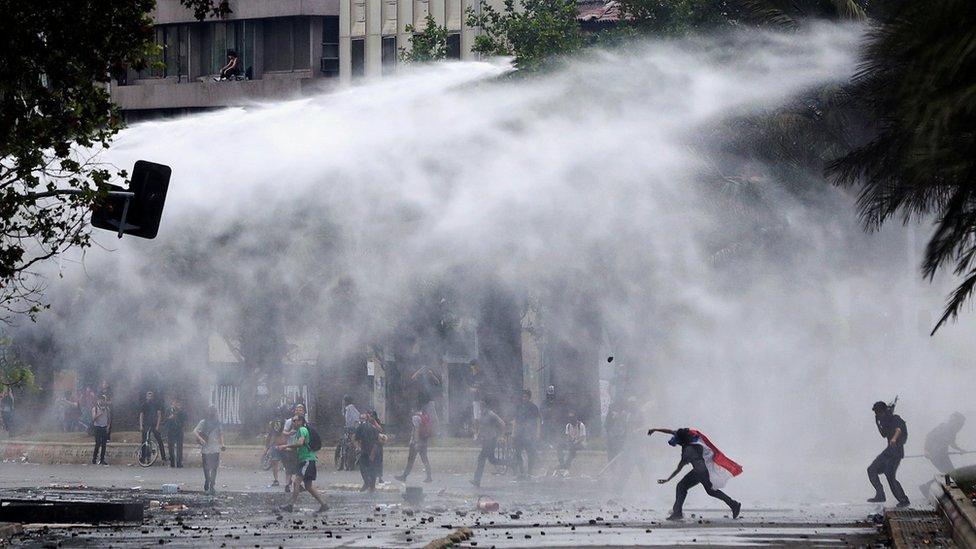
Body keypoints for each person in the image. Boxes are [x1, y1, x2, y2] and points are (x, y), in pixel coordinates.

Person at [649, 427, 742, 521]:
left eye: (677, 440)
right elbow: (671, 432)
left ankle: (677, 513)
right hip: (699, 471)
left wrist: (668, 479)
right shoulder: (691, 439)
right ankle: (734, 504)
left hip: (702, 472)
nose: (675, 440)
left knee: (686, 487)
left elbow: (679, 467)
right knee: (686, 487)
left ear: (681, 440)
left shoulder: (689, 450)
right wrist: (655, 430)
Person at [277, 414, 328, 513]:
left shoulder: (302, 430)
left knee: (296, 483)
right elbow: (300, 446)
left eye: (295, 421)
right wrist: (284, 447)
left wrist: (286, 445)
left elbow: (300, 443)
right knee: (308, 486)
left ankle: (290, 505)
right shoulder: (301, 431)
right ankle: (324, 504)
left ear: (300, 421)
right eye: (293, 421)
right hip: (307, 460)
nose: (293, 422)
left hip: (307, 460)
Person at [867, 401, 910, 507]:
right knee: (872, 469)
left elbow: (898, 430)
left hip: (896, 451)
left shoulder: (895, 418)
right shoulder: (884, 422)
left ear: (884, 411)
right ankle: (880, 495)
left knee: (890, 475)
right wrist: (878, 423)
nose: (877, 415)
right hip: (889, 451)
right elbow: (883, 434)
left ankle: (903, 499)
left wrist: (894, 439)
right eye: (876, 413)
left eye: (878, 413)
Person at [920, 413, 967, 498]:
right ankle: (927, 487)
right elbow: (929, 436)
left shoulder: (953, 430)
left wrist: (960, 450)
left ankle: (928, 487)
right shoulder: (943, 427)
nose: (961, 426)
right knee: (950, 473)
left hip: (943, 455)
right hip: (935, 455)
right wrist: (926, 450)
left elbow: (952, 443)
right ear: (955, 421)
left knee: (950, 473)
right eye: (960, 424)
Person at [471, 398, 507, 487]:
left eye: (482, 404)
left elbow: (502, 424)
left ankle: (476, 480)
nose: (480, 406)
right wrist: (477, 435)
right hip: (486, 439)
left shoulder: (491, 414)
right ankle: (511, 463)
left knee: (481, 458)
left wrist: (501, 436)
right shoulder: (482, 414)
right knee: (492, 460)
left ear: (485, 405)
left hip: (491, 439)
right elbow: (481, 426)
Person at [193, 406, 225, 494]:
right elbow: (195, 431)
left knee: (214, 468)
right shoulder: (203, 422)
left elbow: (221, 434)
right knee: (207, 468)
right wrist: (201, 439)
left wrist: (222, 444)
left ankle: (212, 485)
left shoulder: (218, 423)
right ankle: (207, 481)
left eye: (214, 412)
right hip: (206, 449)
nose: (213, 413)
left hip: (215, 448)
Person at [396, 407, 433, 483]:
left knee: (410, 460)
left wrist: (416, 442)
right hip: (424, 442)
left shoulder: (416, 417)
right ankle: (429, 477)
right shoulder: (424, 416)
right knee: (425, 459)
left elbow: (416, 429)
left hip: (416, 443)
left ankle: (404, 476)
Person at [513, 390, 540, 479]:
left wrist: (537, 434)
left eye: (526, 397)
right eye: (523, 396)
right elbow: (515, 421)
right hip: (519, 433)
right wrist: (514, 433)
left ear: (529, 397)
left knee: (530, 453)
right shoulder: (519, 407)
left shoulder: (533, 407)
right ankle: (521, 472)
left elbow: (537, 421)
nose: (524, 398)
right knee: (518, 453)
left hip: (529, 434)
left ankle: (529, 472)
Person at [281, 403, 306, 492]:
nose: (298, 411)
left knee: (299, 468)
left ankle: (298, 484)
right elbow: (284, 432)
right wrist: (289, 433)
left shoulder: (304, 423)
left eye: (300, 410)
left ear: (303, 412)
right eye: (296, 410)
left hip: (301, 450)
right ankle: (287, 484)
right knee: (289, 468)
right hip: (290, 448)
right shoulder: (289, 421)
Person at [355, 411, 381, 491]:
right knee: (371, 467)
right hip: (368, 450)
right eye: (361, 418)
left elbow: (376, 441)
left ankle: (368, 484)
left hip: (371, 450)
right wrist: (358, 447)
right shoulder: (370, 427)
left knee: (365, 467)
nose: (361, 420)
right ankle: (370, 485)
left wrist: (372, 453)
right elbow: (356, 438)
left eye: (363, 418)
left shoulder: (364, 427)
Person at [139, 390, 167, 464]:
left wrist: (158, 425)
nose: (150, 397)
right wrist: (141, 425)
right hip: (146, 424)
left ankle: (164, 458)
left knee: (159, 440)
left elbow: (159, 415)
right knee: (144, 441)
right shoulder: (144, 405)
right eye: (148, 395)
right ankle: (143, 458)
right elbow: (141, 415)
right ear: (146, 396)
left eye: (151, 395)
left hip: (154, 424)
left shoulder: (156, 404)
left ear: (153, 396)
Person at [163, 398, 187, 468]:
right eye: (175, 403)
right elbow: (165, 421)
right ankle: (172, 463)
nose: (176, 405)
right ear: (172, 404)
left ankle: (179, 463)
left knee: (179, 447)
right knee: (171, 447)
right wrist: (169, 418)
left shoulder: (181, 411)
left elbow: (185, 418)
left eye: (178, 403)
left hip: (179, 430)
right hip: (171, 430)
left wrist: (179, 411)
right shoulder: (168, 411)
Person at [264, 415, 286, 488]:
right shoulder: (272, 428)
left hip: (284, 447)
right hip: (275, 447)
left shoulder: (285, 426)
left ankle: (289, 480)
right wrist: (267, 448)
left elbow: (288, 435)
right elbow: (269, 437)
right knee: (275, 463)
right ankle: (276, 480)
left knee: (286, 464)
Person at [90, 394, 111, 465]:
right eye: (101, 399)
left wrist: (108, 426)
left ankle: (102, 459)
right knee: (98, 443)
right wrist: (100, 414)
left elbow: (109, 418)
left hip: (104, 427)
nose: (102, 401)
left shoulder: (107, 409)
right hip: (97, 427)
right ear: (98, 400)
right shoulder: (95, 408)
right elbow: (93, 419)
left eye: (103, 400)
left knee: (104, 444)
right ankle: (94, 458)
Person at [367, 410, 386, 484]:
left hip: (377, 444)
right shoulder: (367, 423)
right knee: (371, 462)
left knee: (379, 462)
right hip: (371, 445)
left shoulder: (376, 422)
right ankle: (370, 477)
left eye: (372, 416)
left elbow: (380, 430)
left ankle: (380, 477)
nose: (371, 417)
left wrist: (374, 422)